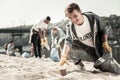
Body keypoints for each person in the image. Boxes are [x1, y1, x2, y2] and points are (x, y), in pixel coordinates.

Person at [59, 3, 120, 74]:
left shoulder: (93, 18)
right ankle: (80, 65)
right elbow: (68, 41)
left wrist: (104, 42)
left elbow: (103, 29)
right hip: (84, 46)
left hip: (99, 47)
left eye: (75, 16)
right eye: (70, 18)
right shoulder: (70, 27)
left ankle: (109, 61)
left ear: (80, 11)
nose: (73, 20)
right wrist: (64, 56)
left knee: (104, 66)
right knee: (62, 42)